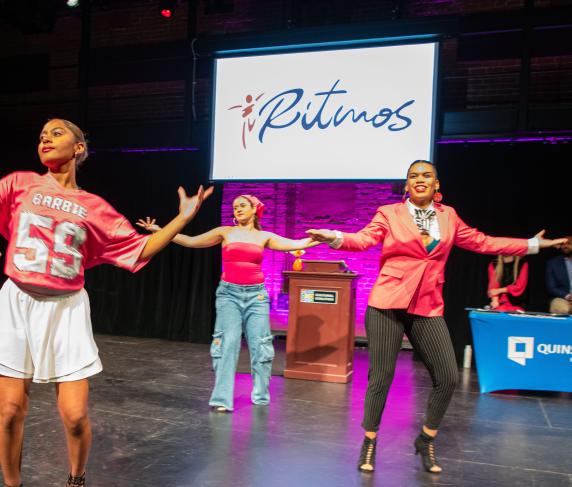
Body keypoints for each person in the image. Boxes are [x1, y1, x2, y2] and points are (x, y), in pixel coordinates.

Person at [306, 160, 566, 475]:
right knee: (382, 376)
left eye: (426, 175)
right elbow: (362, 240)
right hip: (387, 303)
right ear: (406, 186)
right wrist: (332, 236)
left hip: (427, 304)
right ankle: (369, 441)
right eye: (413, 176)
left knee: (448, 376)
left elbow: (484, 242)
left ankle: (426, 438)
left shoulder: (449, 216)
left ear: (436, 185)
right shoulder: (389, 213)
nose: (419, 179)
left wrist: (534, 244)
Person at [0, 119, 213, 487]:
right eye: (41, 136)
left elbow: (139, 248)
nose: (45, 139)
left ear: (79, 148)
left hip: (65, 309)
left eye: (56, 133)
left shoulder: (94, 207)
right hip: (18, 302)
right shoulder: (18, 184)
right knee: (8, 411)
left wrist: (183, 218)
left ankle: (76, 478)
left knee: (75, 416)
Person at [137, 194, 321, 413]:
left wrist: (325, 237)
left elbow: (296, 244)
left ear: (254, 210)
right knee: (227, 344)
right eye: (235, 207)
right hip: (229, 295)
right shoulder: (224, 232)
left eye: (242, 206)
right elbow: (191, 241)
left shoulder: (264, 236)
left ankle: (261, 395)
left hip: (257, 297)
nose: (238, 209)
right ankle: (222, 399)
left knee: (261, 345)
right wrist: (160, 231)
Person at [545, 236, 572, 314]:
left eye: (569, 243)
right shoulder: (553, 263)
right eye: (563, 244)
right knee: (560, 308)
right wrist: (568, 296)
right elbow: (551, 287)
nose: (565, 246)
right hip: (561, 298)